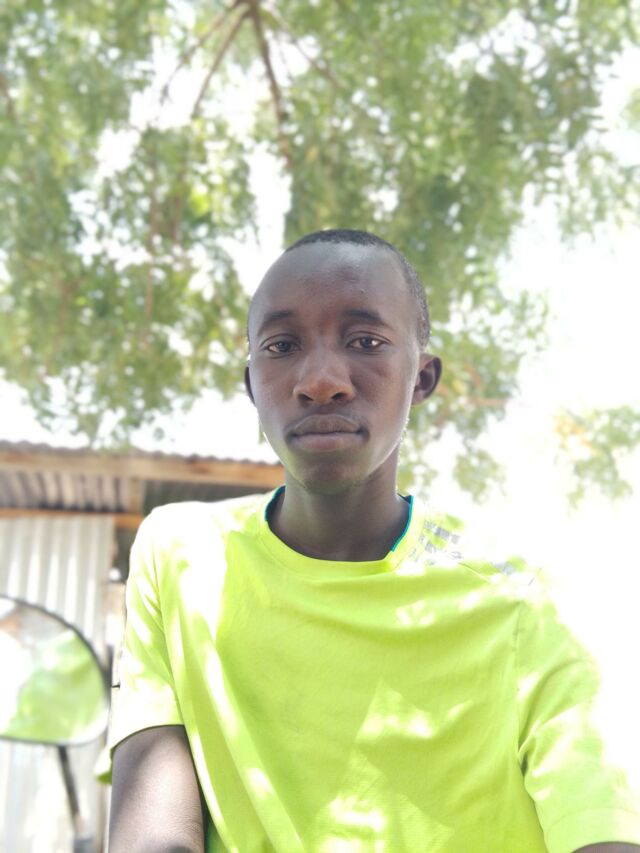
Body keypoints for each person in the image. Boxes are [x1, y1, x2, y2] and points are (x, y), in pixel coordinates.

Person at [108, 229, 640, 852]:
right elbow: (153, 835)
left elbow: (601, 830)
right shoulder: (179, 556)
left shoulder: (519, 600)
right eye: (282, 346)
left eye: (365, 341)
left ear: (421, 378)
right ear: (252, 385)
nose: (321, 381)